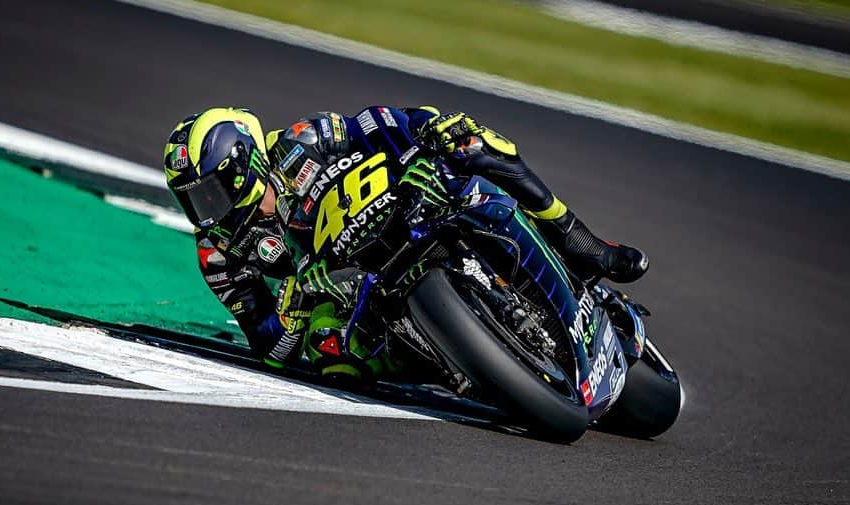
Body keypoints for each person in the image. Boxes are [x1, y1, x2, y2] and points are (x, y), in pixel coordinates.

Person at [163, 105, 647, 369]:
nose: (207, 212)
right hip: (350, 286)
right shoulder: (219, 254)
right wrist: (295, 308)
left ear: (245, 163)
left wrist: (428, 129)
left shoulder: (300, 140)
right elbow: (270, 348)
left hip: (402, 208)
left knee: (473, 145)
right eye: (193, 201)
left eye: (211, 193)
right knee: (334, 353)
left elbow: (377, 125)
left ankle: (582, 243)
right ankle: (459, 364)